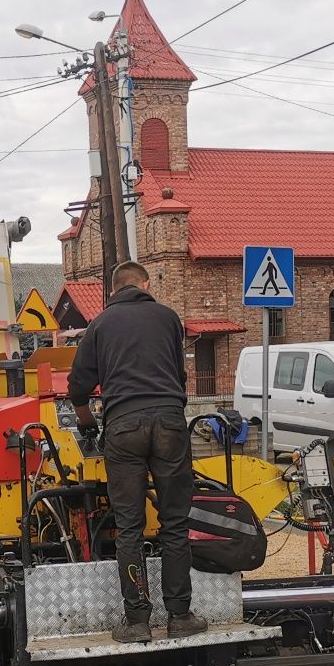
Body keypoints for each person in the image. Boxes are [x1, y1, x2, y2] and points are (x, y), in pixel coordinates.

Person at [67, 261, 204, 644]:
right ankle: (180, 616)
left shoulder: (100, 325)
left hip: (123, 426)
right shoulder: (168, 318)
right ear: (144, 284)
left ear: (113, 290)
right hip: (170, 423)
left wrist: (86, 423)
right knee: (175, 522)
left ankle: (137, 621)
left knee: (129, 525)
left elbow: (78, 386)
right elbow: (179, 377)